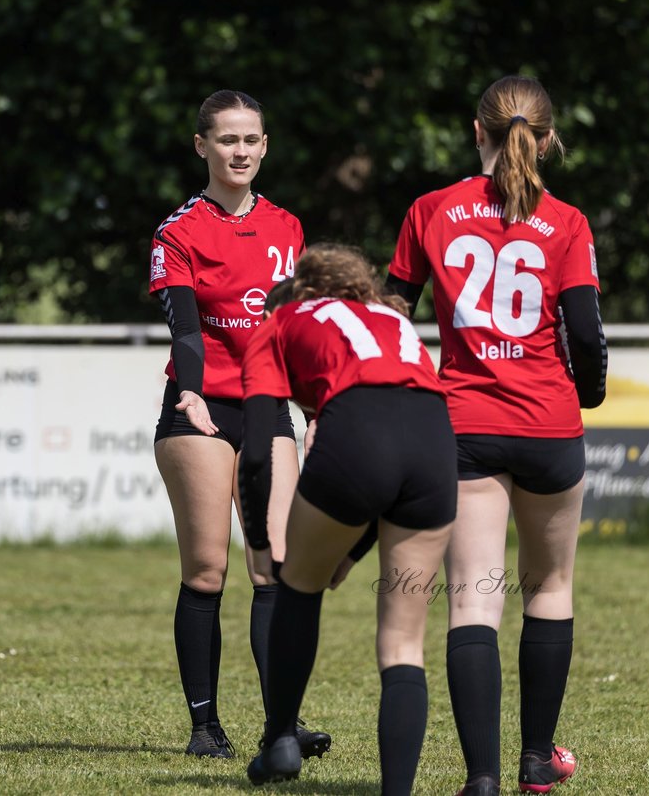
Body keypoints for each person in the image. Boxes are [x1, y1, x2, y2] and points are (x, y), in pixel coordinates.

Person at [385, 75, 608, 796]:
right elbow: (585, 333)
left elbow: (391, 321)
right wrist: (590, 394)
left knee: (474, 599)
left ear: (475, 130)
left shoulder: (428, 210)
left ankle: (480, 779)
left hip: (463, 427)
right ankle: (536, 762)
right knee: (550, 586)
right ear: (546, 140)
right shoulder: (567, 221)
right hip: (548, 425)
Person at [149, 89, 331, 760]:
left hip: (266, 409)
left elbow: (299, 329)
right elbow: (186, 332)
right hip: (197, 410)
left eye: (251, 139)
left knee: (273, 570)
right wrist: (192, 394)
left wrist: (316, 409)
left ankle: (280, 724)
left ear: (264, 145)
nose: (241, 151)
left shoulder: (287, 227)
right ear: (202, 146)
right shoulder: (179, 231)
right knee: (206, 569)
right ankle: (204, 727)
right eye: (227, 139)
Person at [239, 243, 456, 794]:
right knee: (404, 645)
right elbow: (400, 459)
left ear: (299, 289)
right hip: (436, 440)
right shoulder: (392, 317)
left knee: (297, 585)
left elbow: (261, 448)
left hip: (359, 428)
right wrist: (353, 552)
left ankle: (281, 739)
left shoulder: (280, 320)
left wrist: (262, 539)